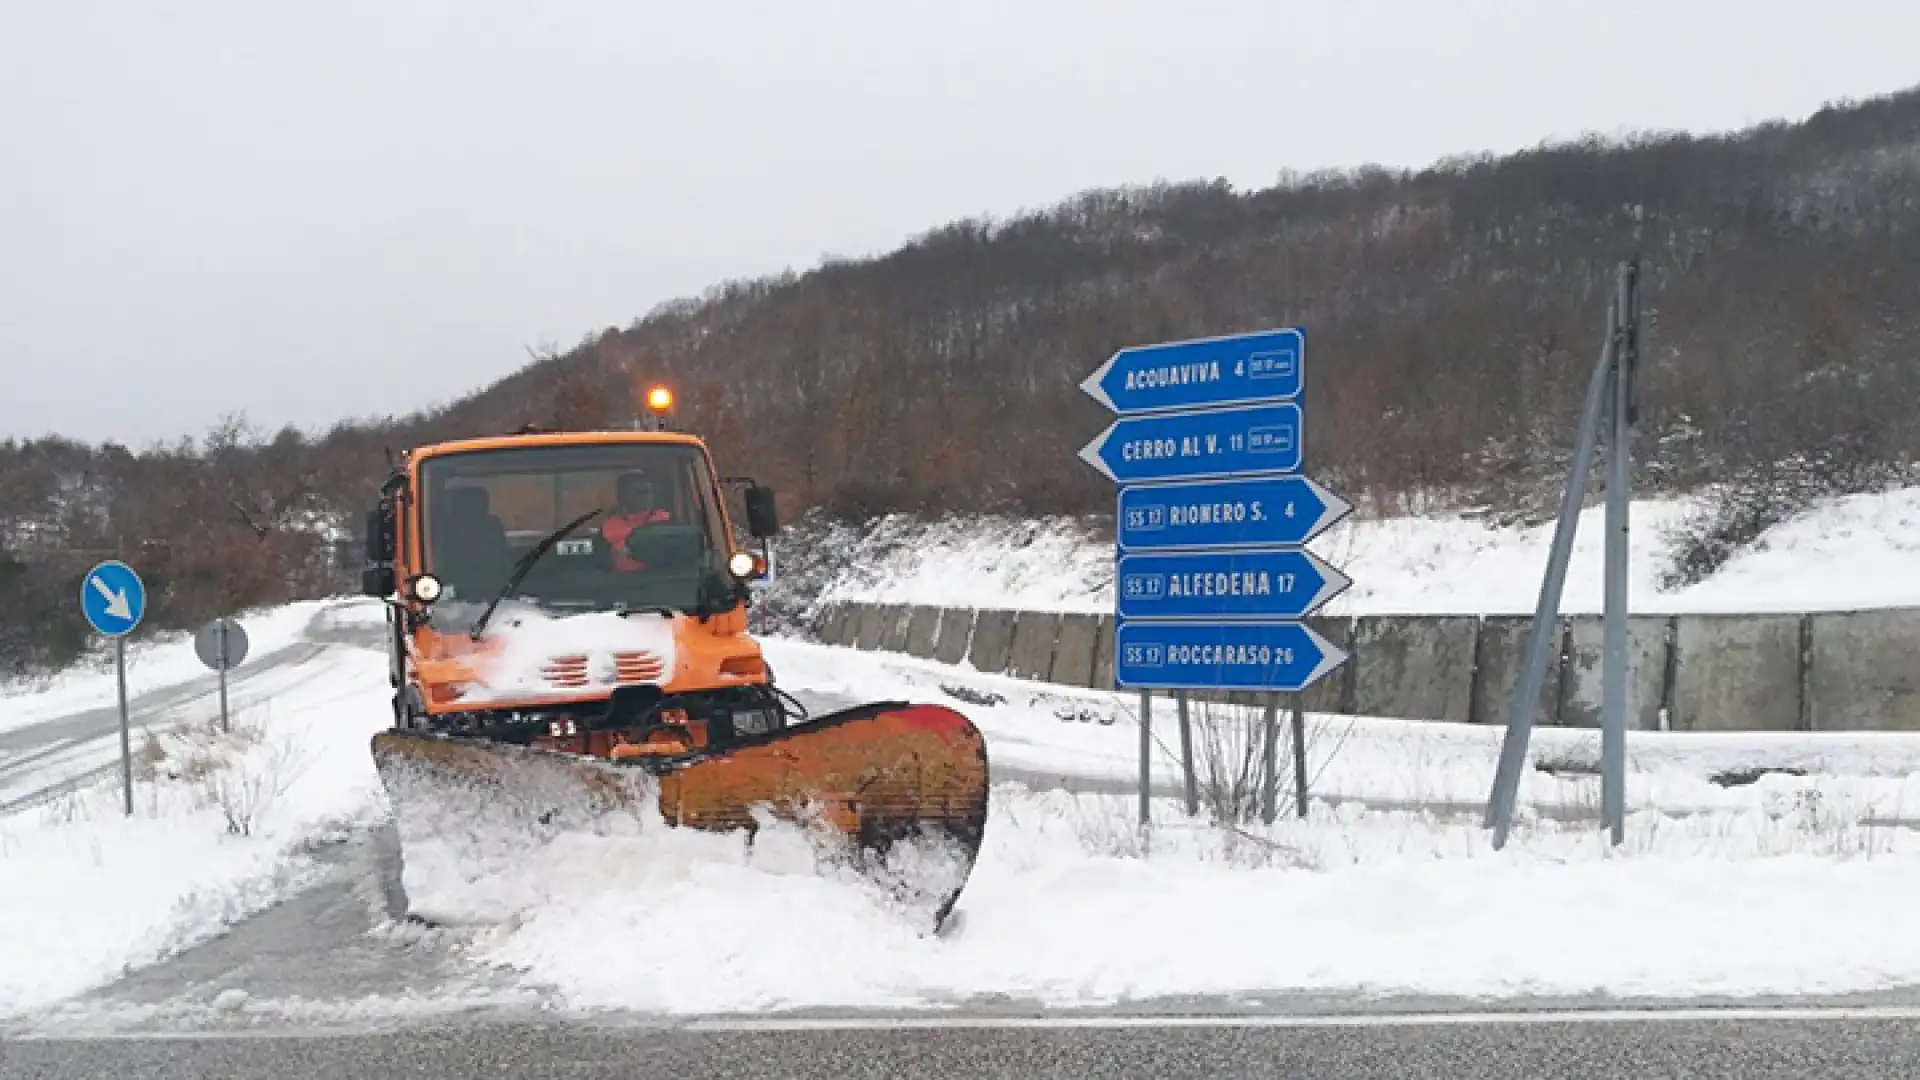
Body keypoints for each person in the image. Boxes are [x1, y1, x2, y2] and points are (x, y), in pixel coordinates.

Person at [600, 471, 673, 572]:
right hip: (622, 583)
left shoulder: (667, 520)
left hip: (660, 579)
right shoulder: (608, 526)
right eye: (641, 491)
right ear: (623, 495)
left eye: (649, 491)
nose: (647, 496)